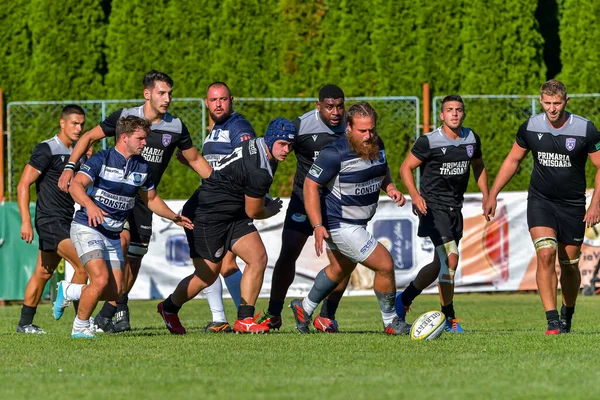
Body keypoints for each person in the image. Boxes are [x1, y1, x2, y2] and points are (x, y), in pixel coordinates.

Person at [58, 70, 211, 333]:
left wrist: (220, 184)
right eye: (162, 93)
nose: (167, 99)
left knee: (135, 259)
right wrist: (70, 166)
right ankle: (115, 312)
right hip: (113, 198)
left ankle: (110, 309)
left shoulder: (175, 126)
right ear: (147, 93)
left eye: (170, 94)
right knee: (121, 245)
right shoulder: (125, 120)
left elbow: (195, 159)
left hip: (143, 197)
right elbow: (88, 137)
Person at [157, 118, 295, 334]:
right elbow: (254, 211)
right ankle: (168, 308)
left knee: (257, 258)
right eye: (282, 144)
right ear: (270, 140)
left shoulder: (259, 146)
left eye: (290, 145)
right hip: (206, 215)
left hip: (232, 212)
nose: (286, 150)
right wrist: (270, 209)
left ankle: (244, 319)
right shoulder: (260, 168)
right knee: (207, 276)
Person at [484, 80, 600, 335]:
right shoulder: (530, 127)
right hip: (541, 201)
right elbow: (513, 160)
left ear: (566, 101)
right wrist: (492, 193)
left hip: (573, 205)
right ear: (541, 101)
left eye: (557, 103)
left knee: (569, 264)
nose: (552, 108)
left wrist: (595, 203)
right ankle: (551, 320)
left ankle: (566, 314)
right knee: (545, 253)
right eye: (547, 103)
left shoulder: (585, 129)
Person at [289, 102, 411, 335]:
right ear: (348, 127)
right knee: (385, 265)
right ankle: (391, 322)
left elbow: (381, 169)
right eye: (362, 131)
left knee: (340, 268)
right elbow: (310, 186)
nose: (368, 136)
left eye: (372, 129)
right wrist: (317, 225)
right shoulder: (334, 153)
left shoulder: (377, 144)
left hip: (357, 224)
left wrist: (391, 187)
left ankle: (304, 307)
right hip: (340, 224)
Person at [260, 84, 350, 333]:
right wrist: (264, 191)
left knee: (344, 261)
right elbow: (275, 152)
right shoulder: (301, 125)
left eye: (339, 106)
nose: (335, 112)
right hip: (302, 199)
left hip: (335, 203)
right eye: (329, 106)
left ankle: (326, 316)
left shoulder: (351, 127)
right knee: (288, 253)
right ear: (318, 105)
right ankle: (274, 313)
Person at [396, 95, 488, 333]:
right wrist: (416, 196)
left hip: (455, 208)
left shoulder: (471, 138)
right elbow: (405, 168)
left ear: (463, 113)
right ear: (442, 115)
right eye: (449, 110)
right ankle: (449, 318)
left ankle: (404, 299)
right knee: (451, 258)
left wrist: (487, 195)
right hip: (433, 207)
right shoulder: (429, 141)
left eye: (458, 110)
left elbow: (478, 165)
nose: (454, 114)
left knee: (440, 264)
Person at [178, 82, 255, 333]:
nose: (218, 104)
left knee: (215, 264)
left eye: (223, 99)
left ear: (231, 100)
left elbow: (247, 161)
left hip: (225, 205)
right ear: (206, 103)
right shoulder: (214, 129)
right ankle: (230, 318)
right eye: (213, 100)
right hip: (212, 203)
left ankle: (234, 318)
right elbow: (211, 168)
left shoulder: (237, 126)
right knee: (220, 264)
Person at [15, 105, 89, 334]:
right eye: (74, 123)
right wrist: (26, 221)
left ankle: (25, 323)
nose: (78, 128)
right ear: (62, 123)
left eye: (82, 124)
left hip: (67, 219)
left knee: (44, 272)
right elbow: (23, 184)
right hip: (49, 220)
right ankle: (82, 322)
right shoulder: (47, 149)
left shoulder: (77, 152)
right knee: (84, 265)